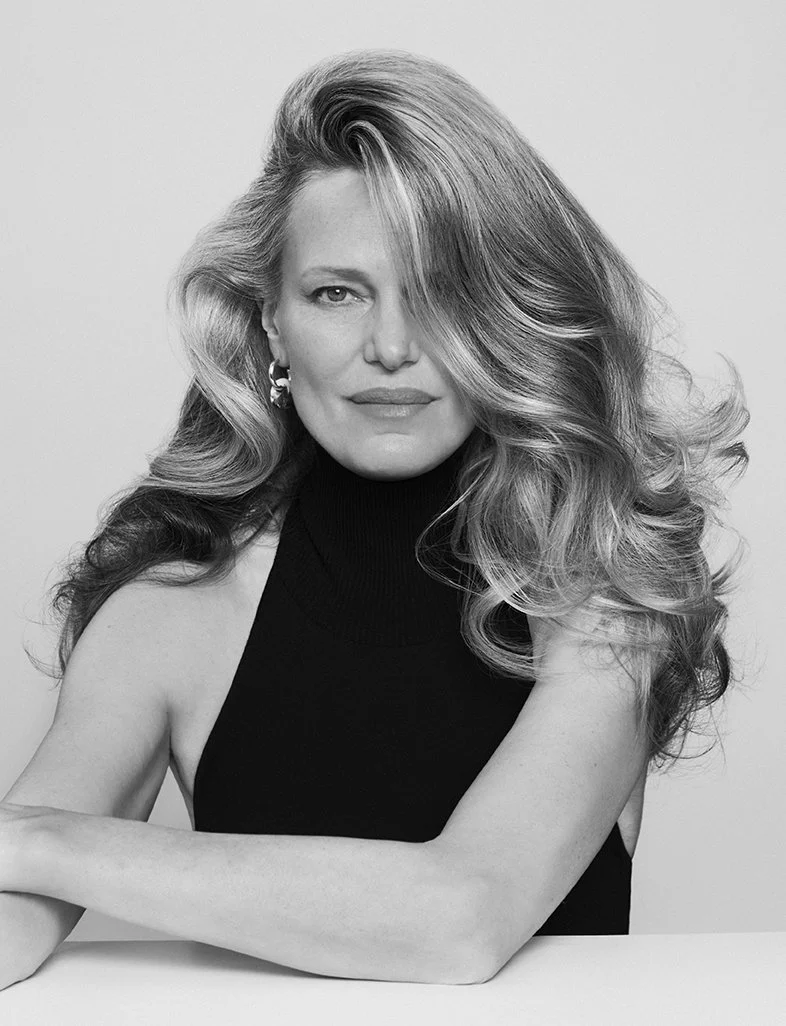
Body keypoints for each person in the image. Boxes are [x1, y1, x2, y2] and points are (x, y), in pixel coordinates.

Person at [1, 48, 750, 989]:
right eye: (335, 293)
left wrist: (38, 843)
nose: (391, 346)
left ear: (502, 318)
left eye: (442, 292)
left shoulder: (600, 592)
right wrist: (30, 857)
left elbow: (462, 919)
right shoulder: (172, 613)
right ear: (271, 322)